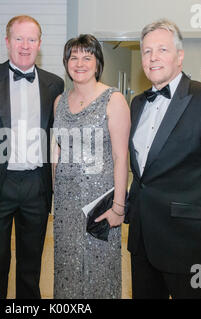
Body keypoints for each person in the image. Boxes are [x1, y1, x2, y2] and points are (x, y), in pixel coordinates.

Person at [127, 19, 201, 299]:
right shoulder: (137, 104)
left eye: (162, 50)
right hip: (143, 241)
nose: (153, 57)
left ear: (179, 56)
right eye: (147, 51)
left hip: (191, 243)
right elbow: (144, 175)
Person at [0, 15, 64, 299]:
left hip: (36, 184)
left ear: (39, 44)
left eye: (31, 39)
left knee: (31, 263)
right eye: (19, 39)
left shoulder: (54, 84)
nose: (25, 45)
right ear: (8, 42)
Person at [51, 34, 130, 298]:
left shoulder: (113, 99)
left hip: (99, 205)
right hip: (65, 208)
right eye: (74, 57)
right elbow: (57, 151)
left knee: (99, 271)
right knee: (67, 271)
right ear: (66, 62)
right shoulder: (59, 102)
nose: (80, 63)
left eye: (88, 57)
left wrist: (119, 207)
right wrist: (55, 193)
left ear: (98, 63)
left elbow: (121, 156)